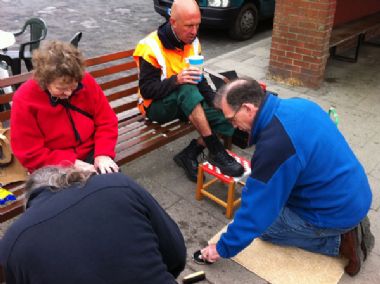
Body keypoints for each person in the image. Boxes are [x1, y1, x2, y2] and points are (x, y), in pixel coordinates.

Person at [200, 77, 374, 276]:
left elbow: (257, 212)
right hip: (352, 193)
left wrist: (222, 248)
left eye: (231, 119)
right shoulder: (300, 104)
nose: (233, 126)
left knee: (266, 229)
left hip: (334, 212)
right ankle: (347, 222)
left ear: (248, 108)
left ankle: (339, 243)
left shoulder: (275, 146)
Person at [0, 166, 186, 283]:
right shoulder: (119, 184)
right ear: (67, 177)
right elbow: (176, 253)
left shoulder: (13, 242)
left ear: (29, 203)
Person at [133, 0, 243, 182]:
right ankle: (216, 150)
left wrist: (217, 103)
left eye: (197, 25)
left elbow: (198, 79)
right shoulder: (150, 47)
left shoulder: (193, 42)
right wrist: (177, 80)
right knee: (186, 86)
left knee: (226, 116)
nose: (194, 31)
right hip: (155, 107)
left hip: (185, 102)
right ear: (173, 22)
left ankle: (190, 153)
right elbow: (146, 90)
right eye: (189, 26)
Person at [10, 40, 119, 174]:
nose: (68, 93)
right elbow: (30, 153)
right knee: (73, 193)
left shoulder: (86, 81)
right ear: (44, 81)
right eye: (61, 88)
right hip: (52, 164)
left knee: (115, 186)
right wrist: (71, 162)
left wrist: (103, 153)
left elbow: (106, 121)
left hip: (92, 152)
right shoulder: (25, 99)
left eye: (73, 87)